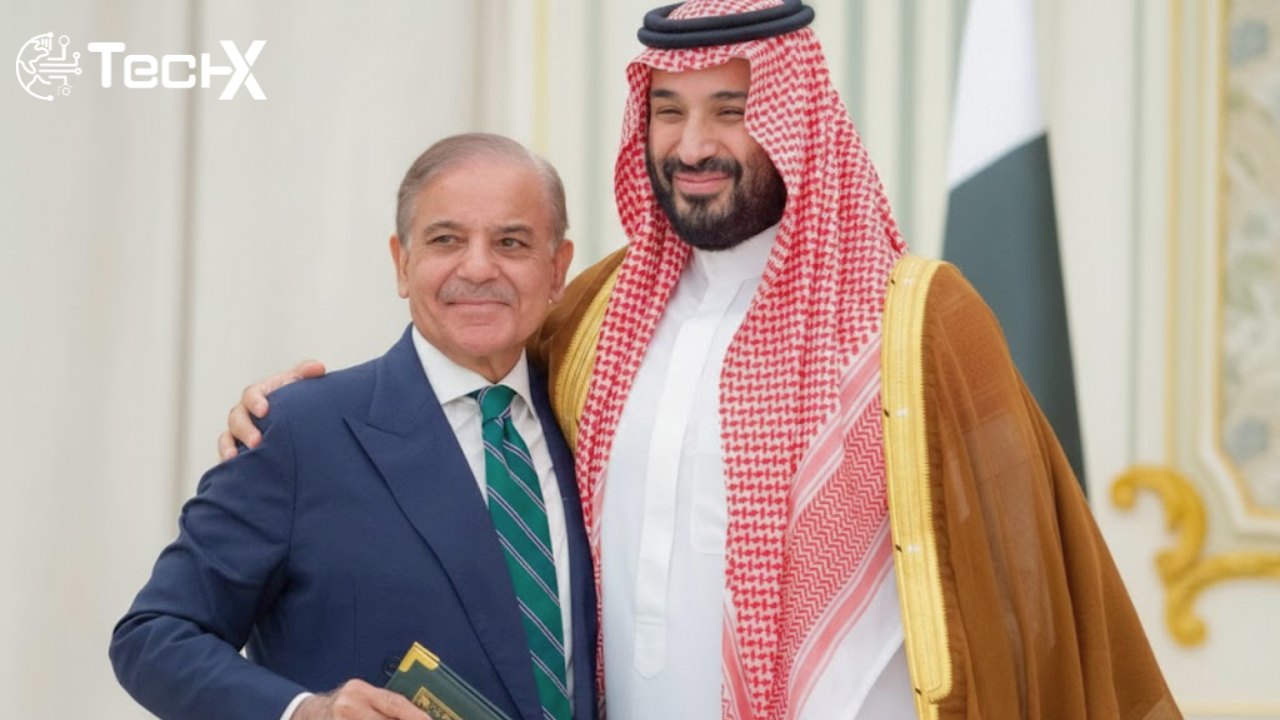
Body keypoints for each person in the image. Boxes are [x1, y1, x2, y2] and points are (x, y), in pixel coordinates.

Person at [221, 2, 1181, 719]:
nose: (692, 146)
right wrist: (283, 419)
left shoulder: (912, 322)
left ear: (797, 116)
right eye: (669, 111)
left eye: (732, 108)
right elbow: (464, 405)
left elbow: (1031, 580)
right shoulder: (594, 314)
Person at [112, 133, 598, 720]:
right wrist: (306, 711)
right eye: (445, 239)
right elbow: (153, 636)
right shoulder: (298, 432)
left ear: (557, 269)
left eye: (510, 242)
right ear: (402, 263)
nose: (477, 267)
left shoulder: (592, 423)